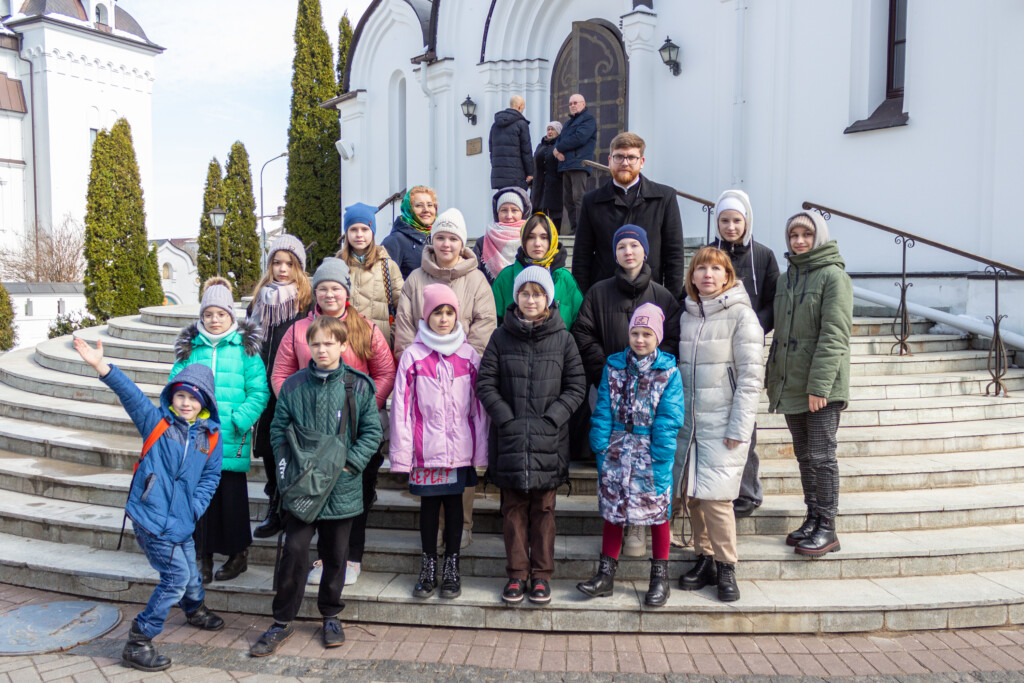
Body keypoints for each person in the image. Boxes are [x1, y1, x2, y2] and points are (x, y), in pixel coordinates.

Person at [73, 339, 226, 672]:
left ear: (205, 403)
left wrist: (195, 507)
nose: (186, 403)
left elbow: (210, 478)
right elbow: (130, 394)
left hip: (183, 519)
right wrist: (102, 366)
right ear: (172, 396)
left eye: (194, 398)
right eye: (181, 395)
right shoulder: (156, 422)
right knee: (176, 576)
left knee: (189, 568)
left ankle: (194, 609)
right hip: (151, 518)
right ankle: (138, 641)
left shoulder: (211, 436)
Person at [249, 316, 382, 656]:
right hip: (303, 489)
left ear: (342, 346)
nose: (322, 349)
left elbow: (372, 433)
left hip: (342, 488)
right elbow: (278, 431)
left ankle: (331, 614)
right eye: (316, 344)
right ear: (309, 346)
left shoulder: (360, 386)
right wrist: (286, 472)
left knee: (336, 555)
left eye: (329, 343)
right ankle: (282, 620)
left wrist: (349, 464)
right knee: (294, 550)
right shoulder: (293, 386)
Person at [270, 258, 396, 585]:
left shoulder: (365, 328)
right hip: (307, 435)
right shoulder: (298, 330)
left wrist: (363, 406)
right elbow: (282, 372)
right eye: (323, 288)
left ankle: (351, 556)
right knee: (314, 494)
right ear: (315, 293)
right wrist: (300, 406)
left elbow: (384, 373)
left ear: (346, 292)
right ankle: (324, 558)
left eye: (336, 288)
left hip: (352, 431)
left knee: (357, 494)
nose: (329, 294)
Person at [477, 267, 586, 605]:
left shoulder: (564, 338)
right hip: (510, 438)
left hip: (548, 440)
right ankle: (516, 575)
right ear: (517, 297)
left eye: (538, 294)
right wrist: (506, 419)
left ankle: (540, 576)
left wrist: (552, 418)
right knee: (512, 510)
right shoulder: (500, 337)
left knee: (544, 510)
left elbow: (576, 386)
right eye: (525, 293)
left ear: (549, 299)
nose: (531, 299)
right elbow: (486, 383)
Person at [572, 224, 681, 555]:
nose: (628, 251)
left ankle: (641, 533)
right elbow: (583, 332)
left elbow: (674, 338)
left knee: (649, 475)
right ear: (614, 253)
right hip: (612, 388)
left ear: (645, 251)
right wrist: (605, 367)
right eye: (622, 246)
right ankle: (616, 547)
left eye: (635, 245)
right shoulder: (598, 292)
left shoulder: (662, 295)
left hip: (652, 402)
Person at [394, 208, 497, 549]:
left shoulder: (477, 279)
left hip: (463, 374)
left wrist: (467, 361)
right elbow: (406, 324)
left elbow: (485, 324)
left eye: (453, 238)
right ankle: (436, 528)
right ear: (431, 240)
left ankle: (462, 525)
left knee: (460, 456)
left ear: (462, 242)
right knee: (433, 455)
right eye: (440, 237)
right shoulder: (415, 279)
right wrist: (420, 358)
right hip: (424, 374)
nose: (446, 244)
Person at [577, 304, 685, 606]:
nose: (640, 339)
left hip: (650, 452)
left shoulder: (668, 372)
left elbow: (670, 416)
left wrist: (662, 454)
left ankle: (659, 578)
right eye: (635, 333)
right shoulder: (614, 367)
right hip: (617, 448)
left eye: (647, 334)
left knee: (657, 513)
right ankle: (606, 575)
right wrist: (600, 443)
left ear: (657, 337)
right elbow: (603, 408)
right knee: (614, 511)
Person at [674, 247, 764, 603]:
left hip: (723, 424)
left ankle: (727, 567)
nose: (708, 275)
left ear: (728, 276)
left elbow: (751, 378)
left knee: (718, 500)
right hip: (690, 424)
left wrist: (739, 428)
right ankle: (704, 557)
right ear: (692, 276)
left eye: (716, 268)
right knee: (694, 496)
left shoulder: (742, 316)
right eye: (701, 269)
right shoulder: (687, 315)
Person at [389, 284, 489, 600]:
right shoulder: (413, 357)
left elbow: (479, 409)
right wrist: (402, 455)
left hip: (459, 451)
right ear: (426, 315)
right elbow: (401, 409)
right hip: (426, 450)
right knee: (430, 507)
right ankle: (429, 565)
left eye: (449, 312)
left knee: (455, 507)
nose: (443, 319)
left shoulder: (469, 356)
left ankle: (451, 566)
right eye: (437, 313)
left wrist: (481, 452)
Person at [765, 211, 853, 557]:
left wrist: (820, 386)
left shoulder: (834, 276)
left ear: (819, 236)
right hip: (793, 383)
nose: (799, 241)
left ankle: (828, 528)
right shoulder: (787, 279)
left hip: (822, 387)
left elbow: (835, 334)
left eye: (806, 234)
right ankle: (813, 517)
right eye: (793, 235)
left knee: (821, 455)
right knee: (804, 456)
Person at [171, 277, 269, 584]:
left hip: (230, 438)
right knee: (202, 501)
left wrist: (241, 419)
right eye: (209, 314)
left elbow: (259, 391)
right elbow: (175, 387)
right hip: (198, 438)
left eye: (221, 314)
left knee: (231, 499)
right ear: (201, 316)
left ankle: (238, 554)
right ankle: (203, 556)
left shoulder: (245, 350)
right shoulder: (192, 349)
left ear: (231, 316)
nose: (215, 320)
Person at [710, 189, 780, 518]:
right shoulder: (708, 254)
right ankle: (717, 486)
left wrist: (753, 327)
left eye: (737, 220)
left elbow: (772, 303)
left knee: (744, 420)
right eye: (724, 220)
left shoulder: (763, 256)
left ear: (747, 221)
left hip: (748, 347)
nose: (731, 226)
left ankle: (748, 491)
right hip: (715, 347)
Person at [248, 235, 313, 540]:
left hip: (294, 384)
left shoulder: (306, 300)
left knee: (293, 446)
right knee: (270, 448)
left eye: (289, 263)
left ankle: (292, 506)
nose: (283, 269)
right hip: (263, 383)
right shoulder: (259, 299)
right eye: (277, 262)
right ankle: (274, 504)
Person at [571, 132, 685, 298]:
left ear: (642, 162)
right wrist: (584, 300)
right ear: (610, 161)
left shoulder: (664, 198)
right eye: (619, 157)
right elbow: (582, 256)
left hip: (651, 295)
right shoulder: (591, 201)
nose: (625, 163)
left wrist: (670, 301)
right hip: (605, 297)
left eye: (631, 157)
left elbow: (674, 254)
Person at [491, 212, 582, 330]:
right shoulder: (506, 277)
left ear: (552, 240)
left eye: (544, 237)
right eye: (531, 237)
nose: (537, 243)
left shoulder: (564, 279)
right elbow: (492, 322)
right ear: (523, 240)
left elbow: (579, 323)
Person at [336, 201, 405, 346]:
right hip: (343, 346)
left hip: (379, 347)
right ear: (346, 233)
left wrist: (390, 338)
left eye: (364, 229)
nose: (359, 234)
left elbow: (404, 307)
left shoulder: (388, 266)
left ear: (372, 232)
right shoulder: (336, 266)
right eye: (353, 229)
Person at [552, 93, 596, 233]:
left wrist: (559, 148)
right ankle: (574, 228)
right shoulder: (568, 123)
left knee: (578, 198)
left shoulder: (588, 119)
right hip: (565, 165)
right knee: (568, 200)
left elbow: (580, 138)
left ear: (583, 104)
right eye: (570, 104)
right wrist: (556, 151)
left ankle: (582, 230)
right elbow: (559, 141)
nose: (573, 106)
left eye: (575, 102)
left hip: (579, 164)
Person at [472, 187, 532, 286]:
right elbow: (475, 274)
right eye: (504, 210)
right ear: (497, 213)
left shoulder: (530, 239)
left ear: (523, 213)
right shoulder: (483, 242)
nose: (509, 216)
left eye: (514, 210)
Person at [381, 186, 439, 279]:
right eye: (419, 205)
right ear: (408, 209)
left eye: (430, 205)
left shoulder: (436, 239)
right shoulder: (394, 241)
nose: (426, 210)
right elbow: (384, 282)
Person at [488, 94, 533, 190]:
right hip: (516, 176)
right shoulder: (521, 124)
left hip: (499, 176)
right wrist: (530, 173)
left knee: (503, 202)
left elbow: (491, 151)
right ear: (519, 106)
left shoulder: (495, 125)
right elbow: (526, 151)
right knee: (515, 203)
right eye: (523, 108)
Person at [532, 121, 563, 228]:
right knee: (539, 209)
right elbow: (535, 162)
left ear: (558, 132)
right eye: (548, 129)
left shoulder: (560, 145)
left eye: (552, 129)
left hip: (555, 183)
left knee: (555, 211)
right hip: (539, 183)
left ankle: (556, 234)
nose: (549, 132)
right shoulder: (540, 146)